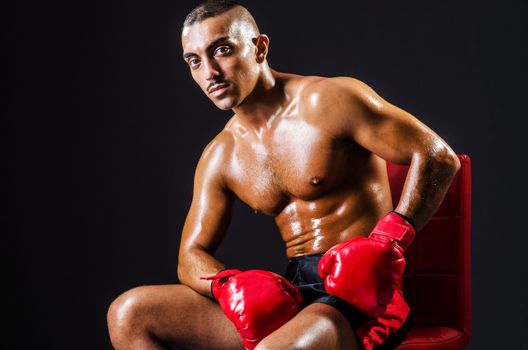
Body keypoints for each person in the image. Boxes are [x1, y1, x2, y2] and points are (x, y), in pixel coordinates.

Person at [107, 1, 461, 349]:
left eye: (223, 50)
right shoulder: (221, 155)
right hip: (293, 296)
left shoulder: (329, 101)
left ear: (259, 48)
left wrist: (388, 241)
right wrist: (227, 284)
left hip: (363, 297)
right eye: (195, 61)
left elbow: (437, 157)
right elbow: (190, 256)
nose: (210, 72)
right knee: (129, 314)